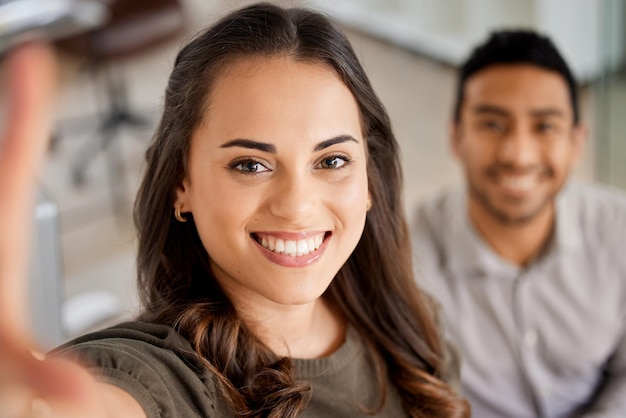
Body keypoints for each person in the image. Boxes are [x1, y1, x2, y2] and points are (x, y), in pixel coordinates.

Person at [0, 3, 470, 417]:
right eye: (251, 164)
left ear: (369, 179)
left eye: (332, 160)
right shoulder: (169, 379)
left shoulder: (404, 323)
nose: (297, 205)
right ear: (181, 185)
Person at [412, 29, 626, 418]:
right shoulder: (407, 257)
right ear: (456, 136)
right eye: (492, 125)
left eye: (545, 126)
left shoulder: (619, 230)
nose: (518, 155)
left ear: (577, 142)